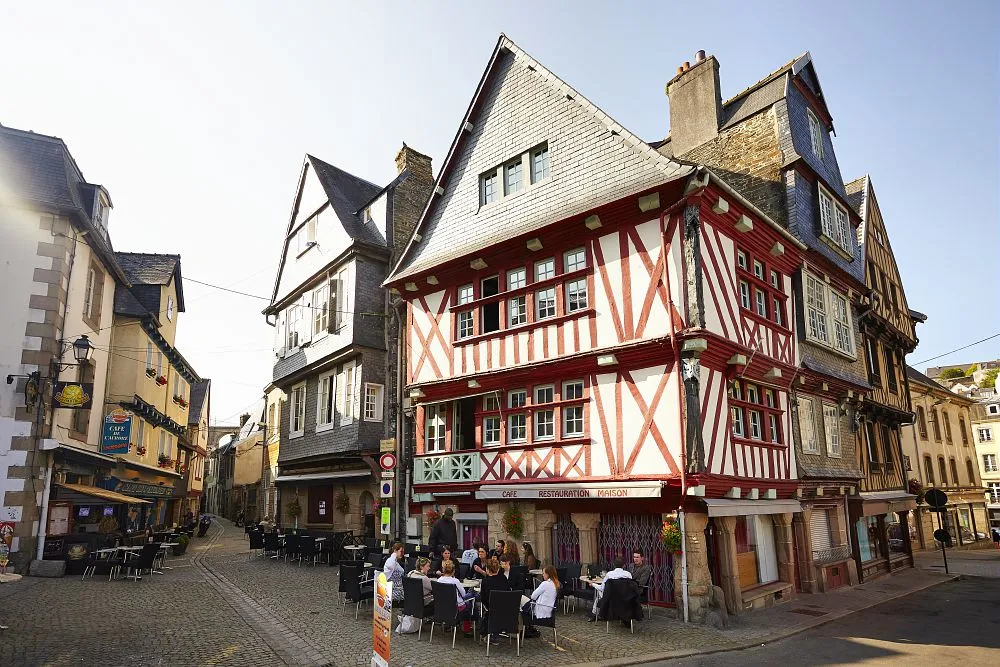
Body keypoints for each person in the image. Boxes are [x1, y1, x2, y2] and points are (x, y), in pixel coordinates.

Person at [437, 559, 477, 635]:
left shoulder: (439, 580)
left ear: (443, 570)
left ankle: (448, 624)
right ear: (453, 571)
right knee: (470, 600)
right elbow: (464, 595)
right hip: (456, 608)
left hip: (443, 607)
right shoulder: (455, 581)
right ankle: (467, 628)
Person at [478, 558, 511, 643]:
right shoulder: (503, 579)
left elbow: (483, 598)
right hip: (506, 610)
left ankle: (488, 634)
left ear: (487, 569)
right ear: (498, 569)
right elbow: (508, 593)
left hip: (492, 610)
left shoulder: (485, 581)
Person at [522, 565, 560, 638]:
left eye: (543, 573)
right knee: (524, 602)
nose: (542, 575)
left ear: (548, 574)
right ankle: (528, 628)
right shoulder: (556, 584)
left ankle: (523, 630)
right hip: (549, 611)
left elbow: (533, 596)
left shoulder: (545, 584)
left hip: (540, 612)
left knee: (521, 599)